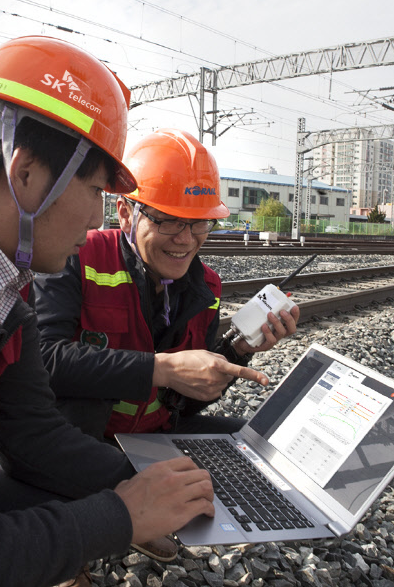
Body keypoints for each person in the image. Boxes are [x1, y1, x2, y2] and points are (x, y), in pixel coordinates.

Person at [0, 38, 215, 587]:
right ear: (25, 170)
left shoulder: (6, 278)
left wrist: (164, 486)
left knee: (56, 518)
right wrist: (121, 517)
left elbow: (32, 435)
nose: (101, 215)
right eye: (98, 188)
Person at [35, 128, 299, 463]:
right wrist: (158, 369)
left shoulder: (207, 288)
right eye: (169, 221)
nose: (186, 240)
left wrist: (238, 350)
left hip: (155, 438)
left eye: (199, 223)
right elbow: (41, 359)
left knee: (266, 449)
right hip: (78, 446)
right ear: (126, 213)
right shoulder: (77, 257)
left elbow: (184, 402)